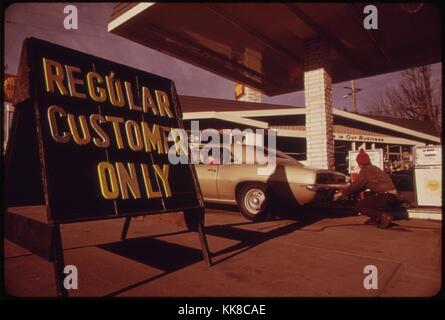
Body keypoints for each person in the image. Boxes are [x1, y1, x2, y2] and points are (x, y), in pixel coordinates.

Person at [335, 149, 399, 229]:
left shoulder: (365, 170)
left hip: (386, 196)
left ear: (360, 163)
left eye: (358, 163)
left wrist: (341, 193)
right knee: (368, 196)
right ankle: (375, 219)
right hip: (392, 196)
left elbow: (356, 186)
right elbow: (363, 186)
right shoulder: (373, 168)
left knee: (360, 206)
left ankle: (384, 217)